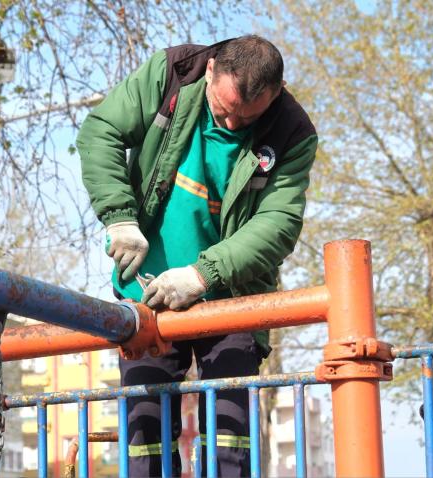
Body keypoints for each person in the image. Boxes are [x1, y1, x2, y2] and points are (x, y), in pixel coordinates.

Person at [77, 35, 317, 477]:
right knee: (145, 435)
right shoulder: (173, 73)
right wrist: (119, 217)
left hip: (232, 298)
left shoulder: (292, 132)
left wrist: (202, 275)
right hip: (148, 295)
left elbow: (279, 224)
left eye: (248, 117)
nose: (232, 123)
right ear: (210, 71)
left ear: (277, 93)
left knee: (229, 434)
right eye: (223, 110)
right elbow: (101, 131)